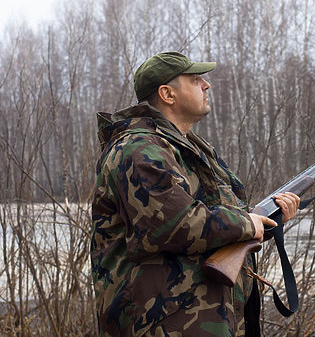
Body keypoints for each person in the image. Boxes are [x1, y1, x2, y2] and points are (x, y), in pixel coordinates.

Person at [91, 52, 300, 336]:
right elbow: (172, 224)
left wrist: (269, 217)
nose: (206, 85)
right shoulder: (138, 149)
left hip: (208, 320)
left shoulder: (193, 148)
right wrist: (245, 223)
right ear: (167, 94)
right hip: (162, 325)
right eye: (195, 79)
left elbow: (219, 219)